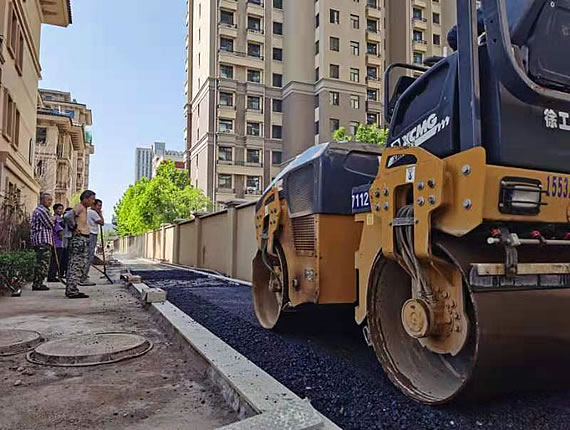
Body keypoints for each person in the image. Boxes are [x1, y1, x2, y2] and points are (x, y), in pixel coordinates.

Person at [64, 190, 95, 299]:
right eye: (91, 199)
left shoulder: (84, 209)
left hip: (82, 238)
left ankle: (71, 288)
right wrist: (73, 227)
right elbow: (67, 216)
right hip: (79, 239)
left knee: (78, 264)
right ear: (85, 199)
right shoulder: (80, 207)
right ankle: (72, 290)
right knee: (76, 264)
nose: (93, 201)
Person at [30, 193, 54, 291]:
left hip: (43, 240)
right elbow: (49, 224)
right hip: (42, 240)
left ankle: (38, 282)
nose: (50, 202)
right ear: (42, 200)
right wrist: (53, 220)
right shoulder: (41, 211)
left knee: (42, 262)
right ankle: (37, 283)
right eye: (48, 200)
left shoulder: (44, 211)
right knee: (42, 263)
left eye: (51, 200)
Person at [81, 199, 104, 286]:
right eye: (99, 206)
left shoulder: (87, 212)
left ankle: (83, 276)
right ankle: (83, 278)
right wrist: (100, 214)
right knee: (89, 256)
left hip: (86, 233)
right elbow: (102, 222)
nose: (100, 208)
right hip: (91, 234)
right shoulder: (93, 213)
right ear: (93, 205)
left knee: (85, 256)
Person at [47, 203, 65, 282]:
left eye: (62, 209)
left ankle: (53, 275)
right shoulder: (56, 219)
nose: (60, 210)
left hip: (59, 243)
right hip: (57, 242)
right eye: (59, 209)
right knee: (55, 260)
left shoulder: (60, 219)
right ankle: (52, 276)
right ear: (54, 210)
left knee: (56, 260)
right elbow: (59, 231)